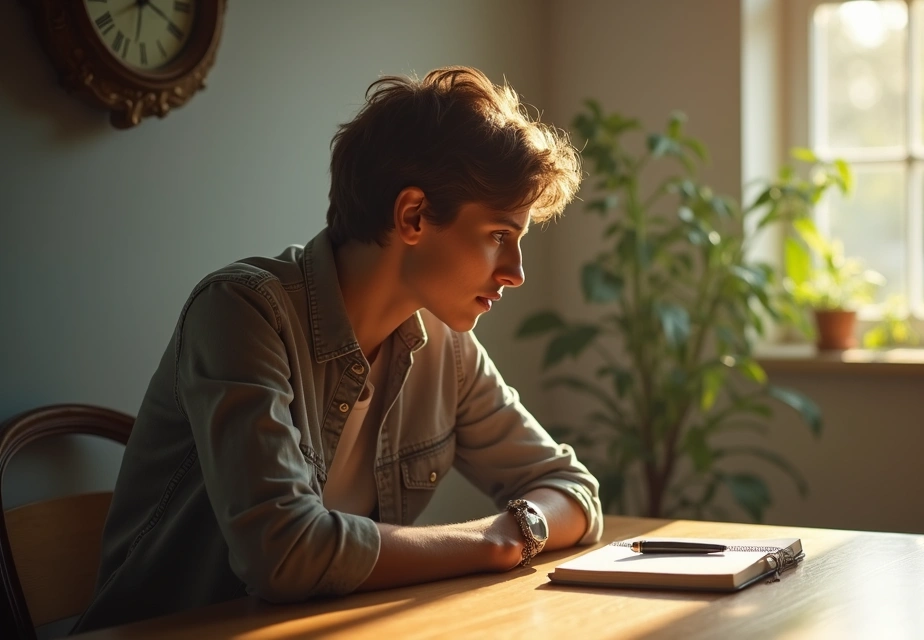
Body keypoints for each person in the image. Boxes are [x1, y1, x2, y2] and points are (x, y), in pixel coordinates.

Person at [73, 66, 602, 633]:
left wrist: (516, 531)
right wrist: (495, 543)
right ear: (413, 216)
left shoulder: (447, 347)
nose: (516, 272)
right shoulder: (242, 312)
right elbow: (284, 554)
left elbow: (575, 492)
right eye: (499, 236)